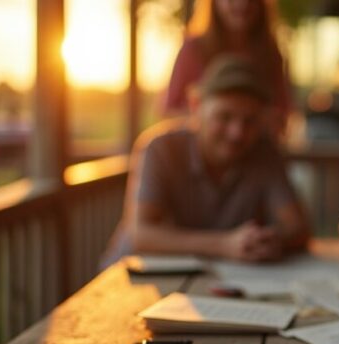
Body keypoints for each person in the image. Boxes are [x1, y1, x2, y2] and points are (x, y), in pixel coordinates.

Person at [102, 55, 309, 266]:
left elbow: (298, 229)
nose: (237, 133)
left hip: (206, 279)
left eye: (250, 121)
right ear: (195, 105)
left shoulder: (265, 153)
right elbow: (142, 235)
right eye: (224, 117)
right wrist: (224, 245)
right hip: (132, 276)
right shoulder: (160, 148)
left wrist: (268, 241)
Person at [161, 0, 291, 135]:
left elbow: (283, 114)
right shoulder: (193, 48)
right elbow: (170, 112)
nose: (242, 4)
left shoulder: (270, 53)